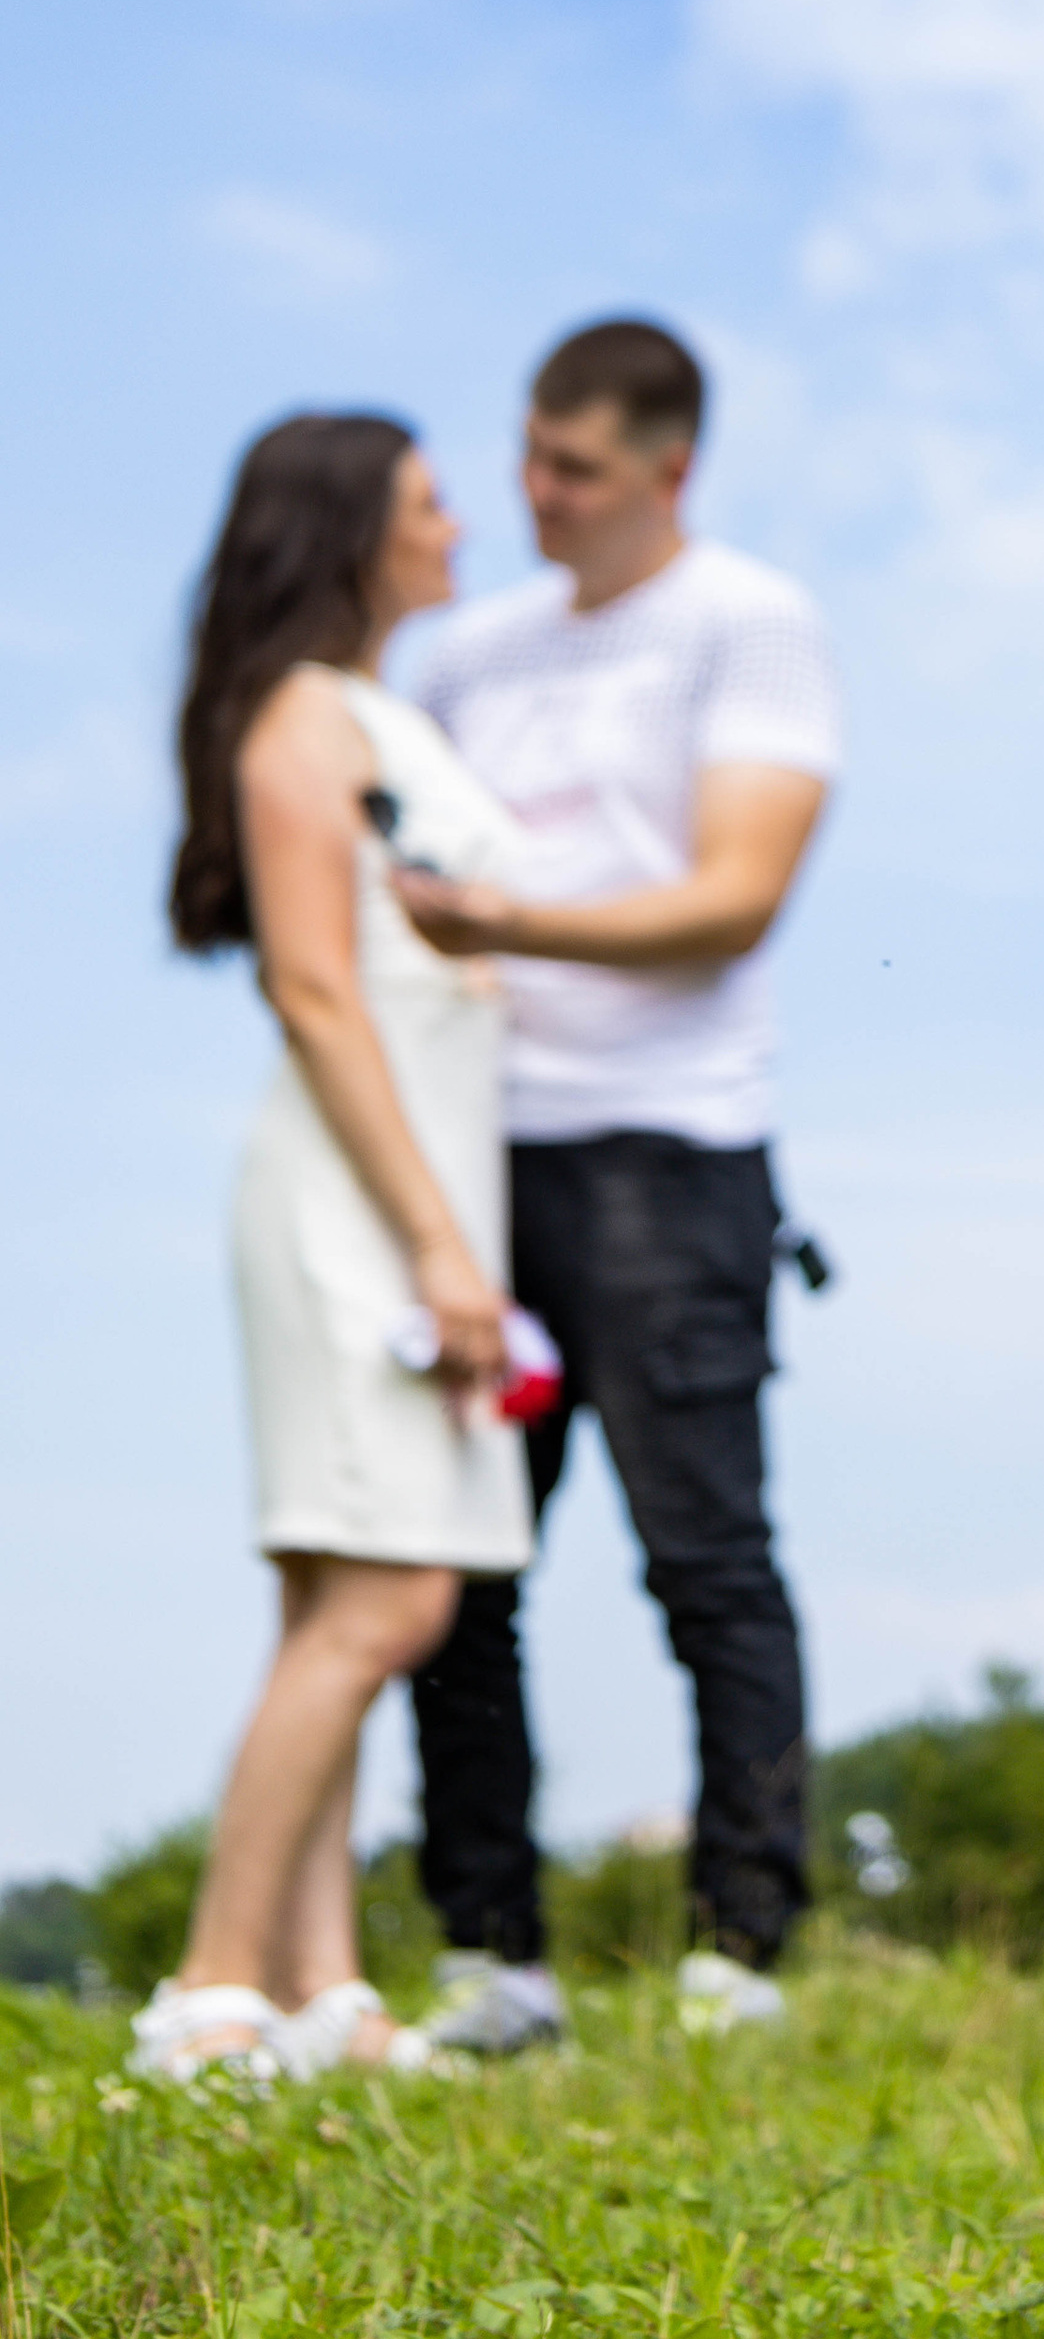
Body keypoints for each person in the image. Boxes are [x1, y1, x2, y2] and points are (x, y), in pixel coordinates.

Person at [394, 317, 837, 2049]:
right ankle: (488, 1958)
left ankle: (743, 1951)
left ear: (670, 468)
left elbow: (734, 896)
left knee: (705, 1557)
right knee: (458, 1576)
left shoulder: (747, 623)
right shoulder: (467, 659)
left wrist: (494, 924)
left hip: (672, 1146)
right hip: (475, 1157)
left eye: (573, 469)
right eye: (527, 456)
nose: (536, 496)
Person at [150, 414, 532, 2083]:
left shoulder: (374, 714)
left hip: (404, 1197)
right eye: (429, 504)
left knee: (339, 1594)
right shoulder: (303, 720)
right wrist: (444, 1251)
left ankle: (324, 1997)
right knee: (386, 1600)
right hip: (355, 1211)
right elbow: (312, 989)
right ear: (350, 532)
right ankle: (210, 1991)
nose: (458, 526)